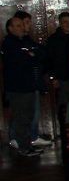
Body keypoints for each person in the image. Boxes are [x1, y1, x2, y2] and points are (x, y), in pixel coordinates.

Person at [2, 15, 44, 156]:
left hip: (28, 86)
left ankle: (27, 144)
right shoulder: (9, 43)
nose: (22, 28)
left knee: (28, 116)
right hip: (18, 88)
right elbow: (22, 61)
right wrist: (29, 55)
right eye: (18, 26)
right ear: (10, 28)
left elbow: (40, 53)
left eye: (22, 25)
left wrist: (32, 54)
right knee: (22, 118)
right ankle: (24, 147)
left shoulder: (25, 40)